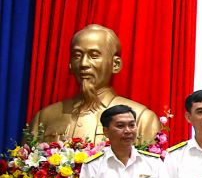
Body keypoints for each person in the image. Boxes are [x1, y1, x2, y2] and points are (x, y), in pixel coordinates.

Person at [29, 24, 159, 144]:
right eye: (77, 56)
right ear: (70, 65)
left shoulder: (141, 119)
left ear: (115, 64)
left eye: (94, 56)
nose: (83, 64)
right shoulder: (44, 117)